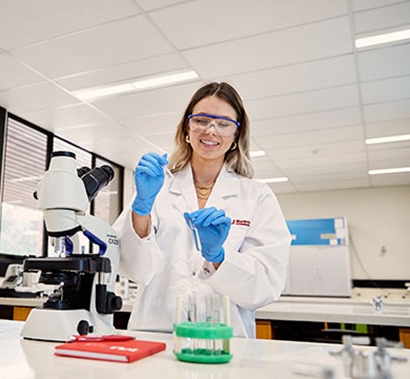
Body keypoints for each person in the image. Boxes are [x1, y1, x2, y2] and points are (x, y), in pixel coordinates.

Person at [112, 82, 291, 338]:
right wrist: (141, 207)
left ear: (236, 136)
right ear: (187, 127)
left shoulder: (256, 196)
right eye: (202, 120)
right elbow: (132, 268)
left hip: (224, 340)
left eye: (224, 123)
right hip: (156, 334)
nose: (211, 130)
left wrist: (217, 257)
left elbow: (265, 286)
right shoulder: (157, 187)